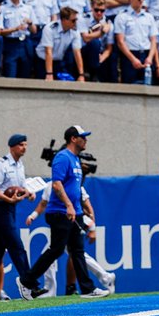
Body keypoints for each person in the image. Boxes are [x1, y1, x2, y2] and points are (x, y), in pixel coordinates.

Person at [22, 126, 109, 298]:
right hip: (60, 212)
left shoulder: (75, 159)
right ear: (73, 139)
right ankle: (26, 281)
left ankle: (87, 288)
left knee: (77, 251)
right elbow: (57, 184)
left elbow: (74, 188)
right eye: (82, 137)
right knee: (56, 249)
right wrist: (69, 205)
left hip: (73, 212)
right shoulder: (62, 157)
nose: (86, 140)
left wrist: (81, 210)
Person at [0, 134, 36, 299]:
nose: (24, 147)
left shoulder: (20, 165)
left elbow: (21, 186)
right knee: (17, 246)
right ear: (12, 147)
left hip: (10, 209)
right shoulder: (1, 164)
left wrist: (29, 193)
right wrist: (7, 198)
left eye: (25, 144)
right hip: (0, 209)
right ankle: (29, 284)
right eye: (20, 145)